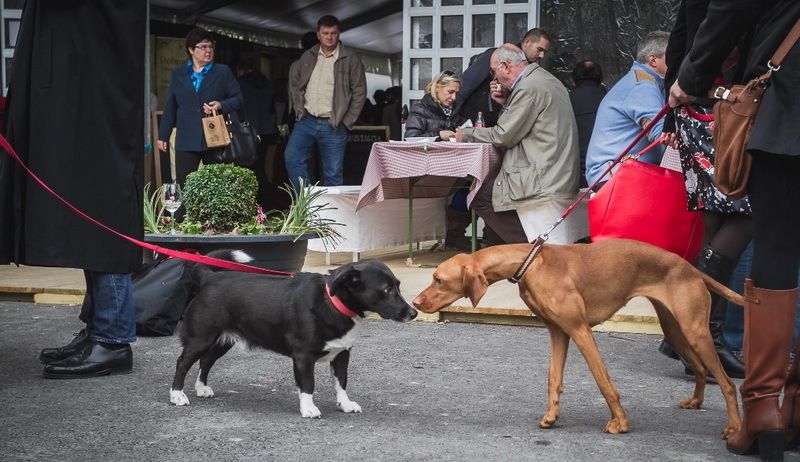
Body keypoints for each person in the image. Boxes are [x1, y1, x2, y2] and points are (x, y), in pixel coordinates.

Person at [668, 1, 800, 459]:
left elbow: (732, 6)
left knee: (777, 249)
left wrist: (690, 76)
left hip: (789, 106)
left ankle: (762, 408)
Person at [0, 0, 146, 378]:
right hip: (83, 83)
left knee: (102, 207)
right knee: (92, 209)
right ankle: (100, 328)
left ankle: (112, 339)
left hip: (95, 93)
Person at [657, 0, 750, 381]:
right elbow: (720, 23)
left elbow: (681, 35)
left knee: (718, 218)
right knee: (750, 211)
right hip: (732, 103)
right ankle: (700, 334)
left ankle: (692, 333)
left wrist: (677, 98)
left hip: (701, 100)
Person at [448, 44, 579, 245]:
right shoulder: (544, 80)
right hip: (554, 169)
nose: (493, 79)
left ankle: (531, 249)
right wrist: (504, 103)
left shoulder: (528, 87)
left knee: (480, 197)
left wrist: (464, 135)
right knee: (493, 195)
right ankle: (511, 256)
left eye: (493, 72)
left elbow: (503, 135)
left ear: (505, 67)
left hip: (542, 176)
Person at [285, 15, 367, 191]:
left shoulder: (350, 58)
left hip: (334, 124)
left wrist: (347, 121)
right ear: (318, 35)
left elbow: (360, 92)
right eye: (325, 33)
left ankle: (330, 215)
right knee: (292, 157)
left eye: (333, 33)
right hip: (306, 120)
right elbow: (295, 85)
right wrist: (299, 109)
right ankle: (307, 204)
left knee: (333, 173)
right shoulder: (308, 56)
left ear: (339, 34)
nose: (329, 37)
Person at [157, 28, 243, 188]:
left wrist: (221, 105)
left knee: (215, 187)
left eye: (211, 46)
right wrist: (163, 135)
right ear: (191, 49)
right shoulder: (179, 73)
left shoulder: (222, 72)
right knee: (184, 186)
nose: (208, 50)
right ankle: (182, 214)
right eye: (203, 47)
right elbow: (171, 105)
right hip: (186, 137)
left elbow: (238, 99)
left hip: (215, 138)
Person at [584, 31, 670, 188]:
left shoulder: (639, 81)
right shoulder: (642, 86)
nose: (679, 61)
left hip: (616, 175)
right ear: (653, 60)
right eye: (673, 56)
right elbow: (662, 134)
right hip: (618, 178)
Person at [404, 71, 470, 250]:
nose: (454, 97)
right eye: (450, 92)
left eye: (456, 93)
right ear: (437, 88)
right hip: (429, 167)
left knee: (474, 184)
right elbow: (410, 137)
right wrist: (438, 135)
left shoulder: (454, 110)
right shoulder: (420, 108)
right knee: (466, 185)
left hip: (451, 164)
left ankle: (455, 235)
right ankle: (454, 236)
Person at [235, 52, 280, 207]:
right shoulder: (267, 83)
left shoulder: (239, 84)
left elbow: (238, 108)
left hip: (247, 131)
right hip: (267, 131)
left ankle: (252, 204)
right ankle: (265, 202)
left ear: (240, 69)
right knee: (261, 167)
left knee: (246, 168)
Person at [569, 60, 606, 188]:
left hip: (574, 175)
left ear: (574, 80)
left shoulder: (566, 101)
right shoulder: (609, 99)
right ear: (600, 79)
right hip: (604, 172)